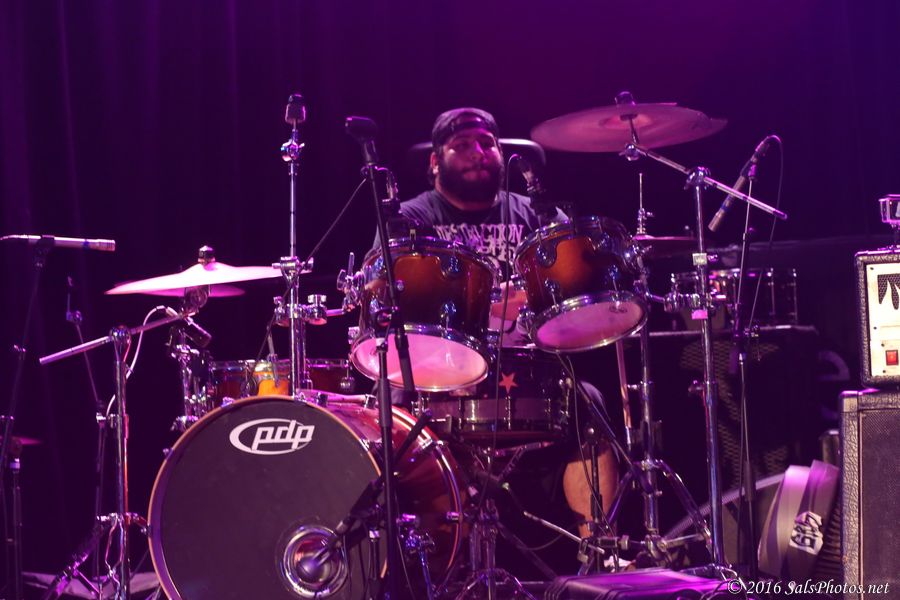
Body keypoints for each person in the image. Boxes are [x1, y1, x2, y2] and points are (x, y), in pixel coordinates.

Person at [377, 107, 618, 541]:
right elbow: (389, 295)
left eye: (487, 143)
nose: (478, 152)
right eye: (462, 145)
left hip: (528, 374)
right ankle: (430, 553)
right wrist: (489, 302)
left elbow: (573, 281)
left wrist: (538, 296)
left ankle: (599, 549)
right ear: (435, 161)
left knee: (591, 401)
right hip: (437, 376)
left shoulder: (536, 216)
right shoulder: (409, 220)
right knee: (391, 408)